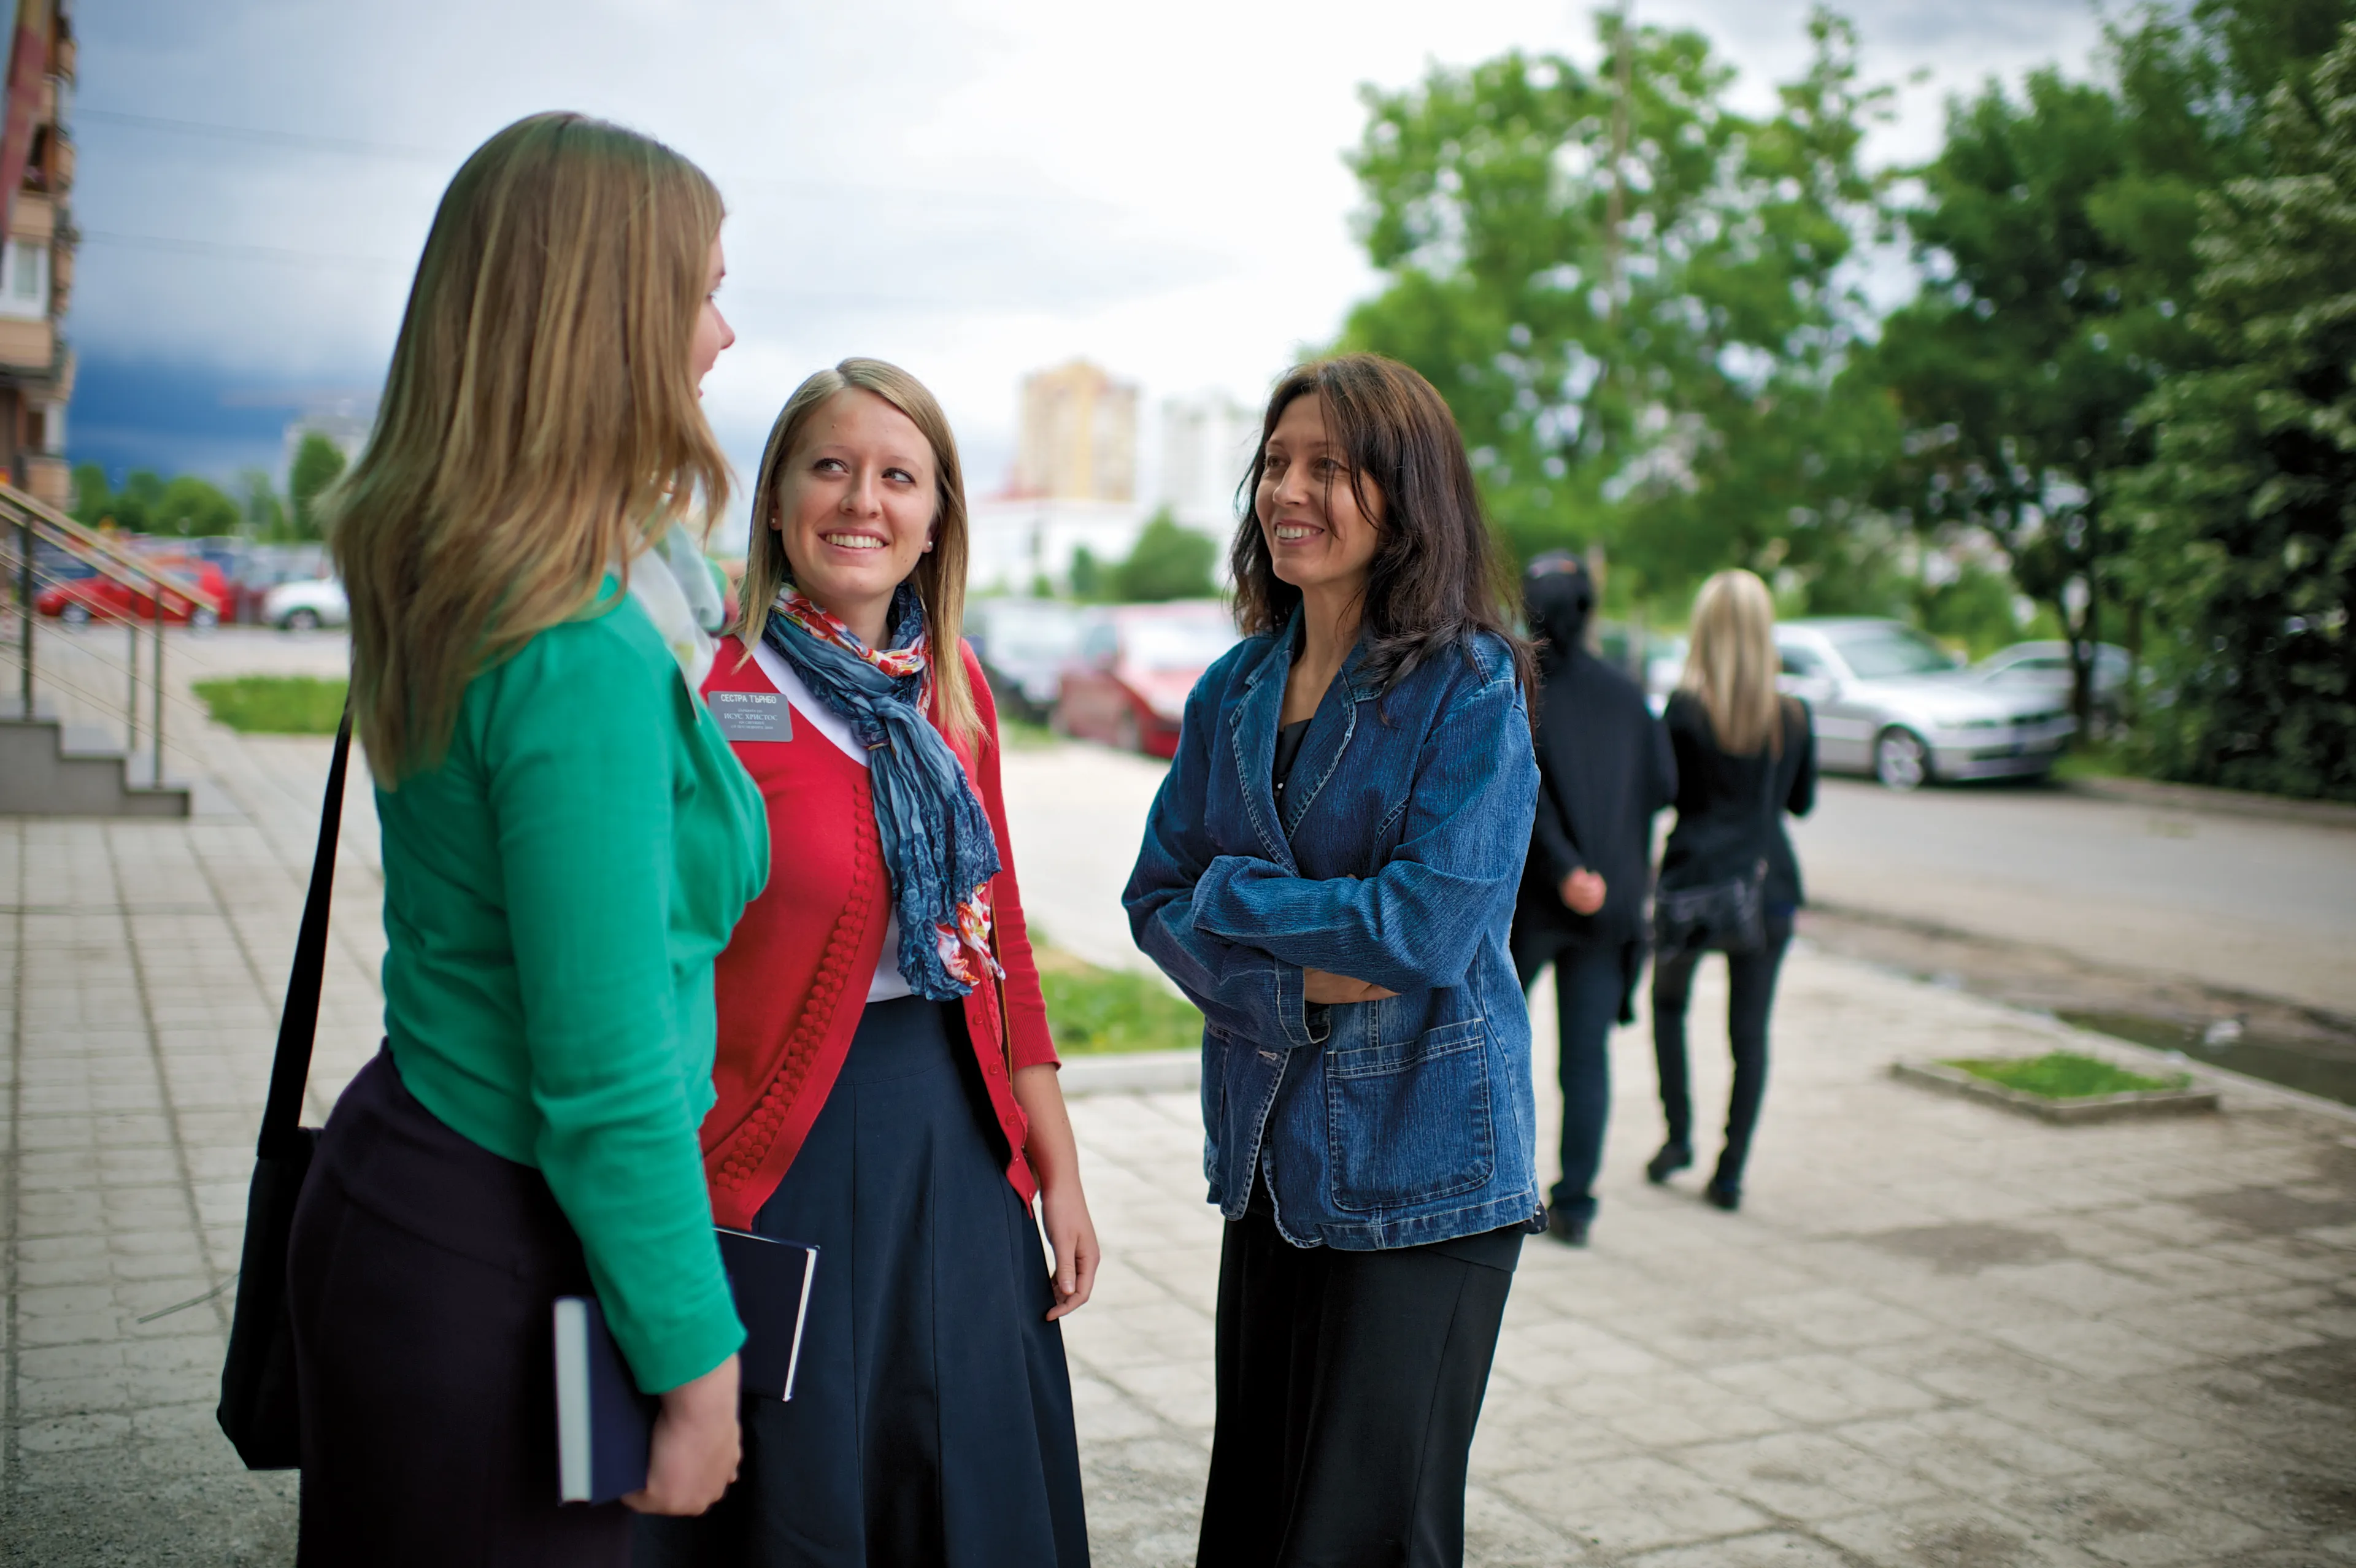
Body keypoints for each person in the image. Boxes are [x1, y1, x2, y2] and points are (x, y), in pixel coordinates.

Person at [290, 113, 761, 1562]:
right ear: (602, 320)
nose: (725, 334)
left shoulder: (470, 575)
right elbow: (606, 1068)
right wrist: (697, 1365)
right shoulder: (574, 647)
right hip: (504, 1249)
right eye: (698, 290)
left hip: (418, 1185)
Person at [637, 359, 1095, 1568]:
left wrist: (1060, 1170)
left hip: (952, 1147)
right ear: (780, 498)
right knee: (794, 1503)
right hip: (769, 1154)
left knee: (960, 1489)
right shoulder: (712, 683)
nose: (863, 502)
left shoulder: (958, 694)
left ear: (938, 517)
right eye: (831, 467)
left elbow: (1003, 951)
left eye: (899, 476)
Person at [1124, 353, 1541, 1568]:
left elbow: (1422, 934)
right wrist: (1293, 980)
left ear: (1406, 496)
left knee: (1365, 1539)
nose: (1289, 490)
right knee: (1254, 1525)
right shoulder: (1233, 691)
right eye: (1276, 463)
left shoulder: (1469, 684)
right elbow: (1155, 898)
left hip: (1427, 1177)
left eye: (1332, 467)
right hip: (1269, 1164)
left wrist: (1238, 896)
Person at [1509, 553, 1676, 1248]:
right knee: (1585, 1059)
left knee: (1499, 1046)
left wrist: (1565, 866)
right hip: (1609, 903)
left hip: (1536, 902)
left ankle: (1504, 1188)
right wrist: (1602, 861)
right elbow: (1664, 784)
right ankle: (1576, 1202)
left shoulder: (1518, 684)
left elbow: (1520, 788)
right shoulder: (1626, 693)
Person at [1646, 568, 1816, 1212]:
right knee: (1750, 1033)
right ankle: (1730, 1170)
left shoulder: (1686, 711)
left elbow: (1669, 795)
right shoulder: (1793, 717)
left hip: (1694, 881)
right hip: (1769, 883)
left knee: (1669, 1006)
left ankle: (1677, 1139)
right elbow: (1800, 804)